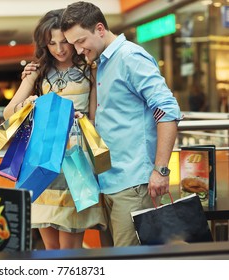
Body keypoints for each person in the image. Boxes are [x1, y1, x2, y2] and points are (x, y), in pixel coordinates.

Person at [60, 1, 182, 247]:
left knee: (130, 266)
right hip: (108, 181)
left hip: (133, 183)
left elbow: (167, 110)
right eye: (73, 44)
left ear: (100, 29)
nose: (78, 49)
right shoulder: (102, 64)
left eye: (81, 41)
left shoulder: (130, 57)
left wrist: (161, 170)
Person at [3, 9, 108, 250]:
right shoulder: (36, 71)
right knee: (50, 248)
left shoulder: (89, 68)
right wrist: (29, 104)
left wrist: (81, 121)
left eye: (64, 42)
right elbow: (8, 114)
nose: (59, 49)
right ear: (44, 44)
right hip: (42, 159)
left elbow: (94, 118)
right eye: (51, 43)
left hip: (75, 161)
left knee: (71, 247)